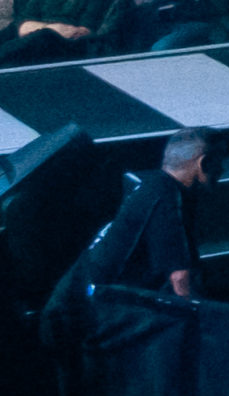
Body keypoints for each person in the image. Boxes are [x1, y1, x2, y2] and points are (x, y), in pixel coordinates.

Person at [75, 129, 215, 305]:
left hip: (77, 291)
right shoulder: (166, 198)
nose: (222, 169)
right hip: (95, 307)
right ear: (204, 163)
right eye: (219, 161)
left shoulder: (145, 182)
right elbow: (180, 280)